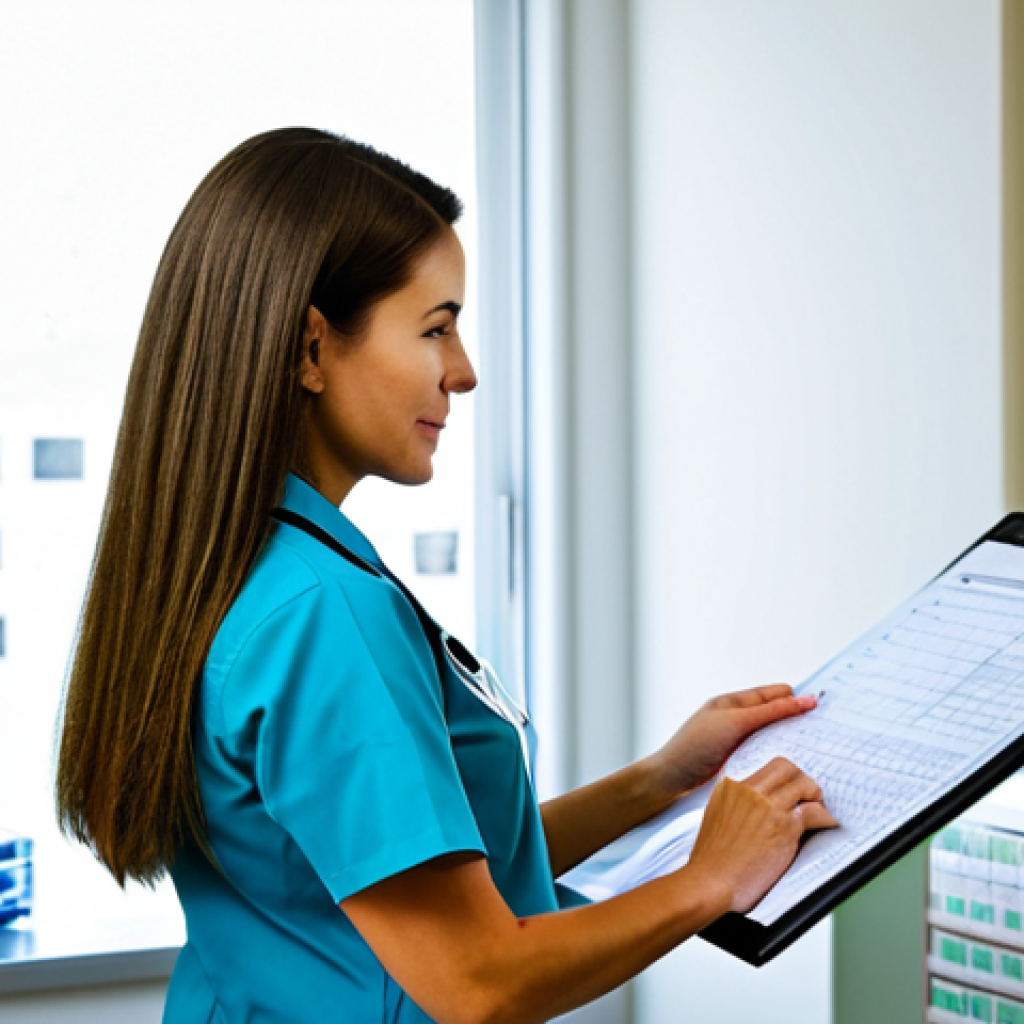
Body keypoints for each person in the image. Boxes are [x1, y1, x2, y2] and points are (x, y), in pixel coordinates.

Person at [56, 127, 836, 1024]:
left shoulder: (240, 572)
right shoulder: (322, 615)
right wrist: (709, 882)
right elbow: (477, 979)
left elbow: (425, 878)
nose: (462, 374)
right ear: (312, 349)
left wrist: (657, 782)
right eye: (436, 328)